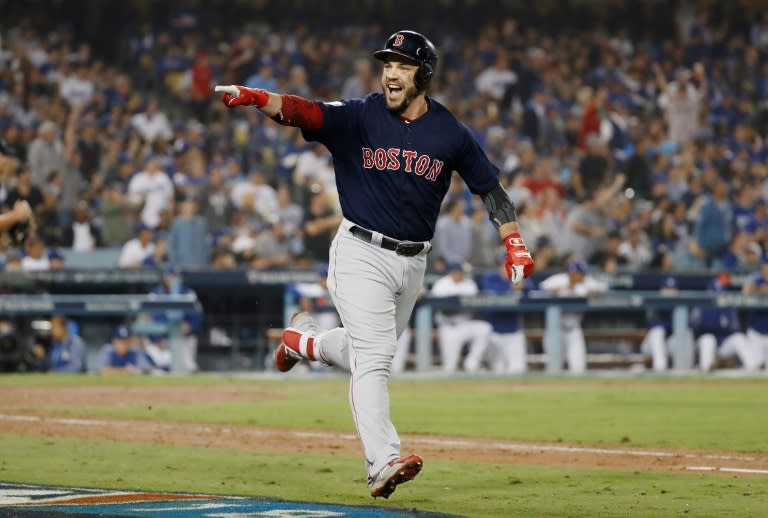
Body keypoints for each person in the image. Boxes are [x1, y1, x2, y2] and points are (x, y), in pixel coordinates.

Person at [216, 29, 534, 498]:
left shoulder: (449, 131)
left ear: (423, 74)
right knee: (376, 360)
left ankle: (303, 341)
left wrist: (514, 242)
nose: (391, 72)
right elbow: (306, 111)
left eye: (402, 65)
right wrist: (258, 97)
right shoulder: (361, 116)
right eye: (387, 63)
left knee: (368, 352)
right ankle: (381, 461)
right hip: (360, 249)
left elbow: (489, 188)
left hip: (413, 263)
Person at [537, 260, 609, 374]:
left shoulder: (585, 283)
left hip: (574, 331)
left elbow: (606, 289)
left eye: (582, 274)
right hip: (555, 330)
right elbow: (538, 290)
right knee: (553, 368)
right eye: (578, 273)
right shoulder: (559, 279)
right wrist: (562, 289)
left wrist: (591, 292)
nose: (581, 276)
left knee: (578, 367)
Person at [429, 262, 493, 373]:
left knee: (484, 328)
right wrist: (458, 305)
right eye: (456, 272)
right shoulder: (441, 284)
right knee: (450, 367)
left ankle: (472, 362)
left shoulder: (469, 284)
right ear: (451, 272)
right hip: (449, 327)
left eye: (460, 272)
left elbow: (475, 305)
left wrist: (459, 305)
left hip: (466, 324)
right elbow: (443, 310)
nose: (459, 274)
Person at [691, 274, 760, 372]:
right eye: (715, 292)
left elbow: (734, 329)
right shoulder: (701, 308)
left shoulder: (728, 306)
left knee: (739, 338)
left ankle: (754, 368)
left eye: (720, 292)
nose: (718, 295)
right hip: (705, 344)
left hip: (723, 344)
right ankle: (706, 370)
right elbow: (698, 331)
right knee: (708, 339)